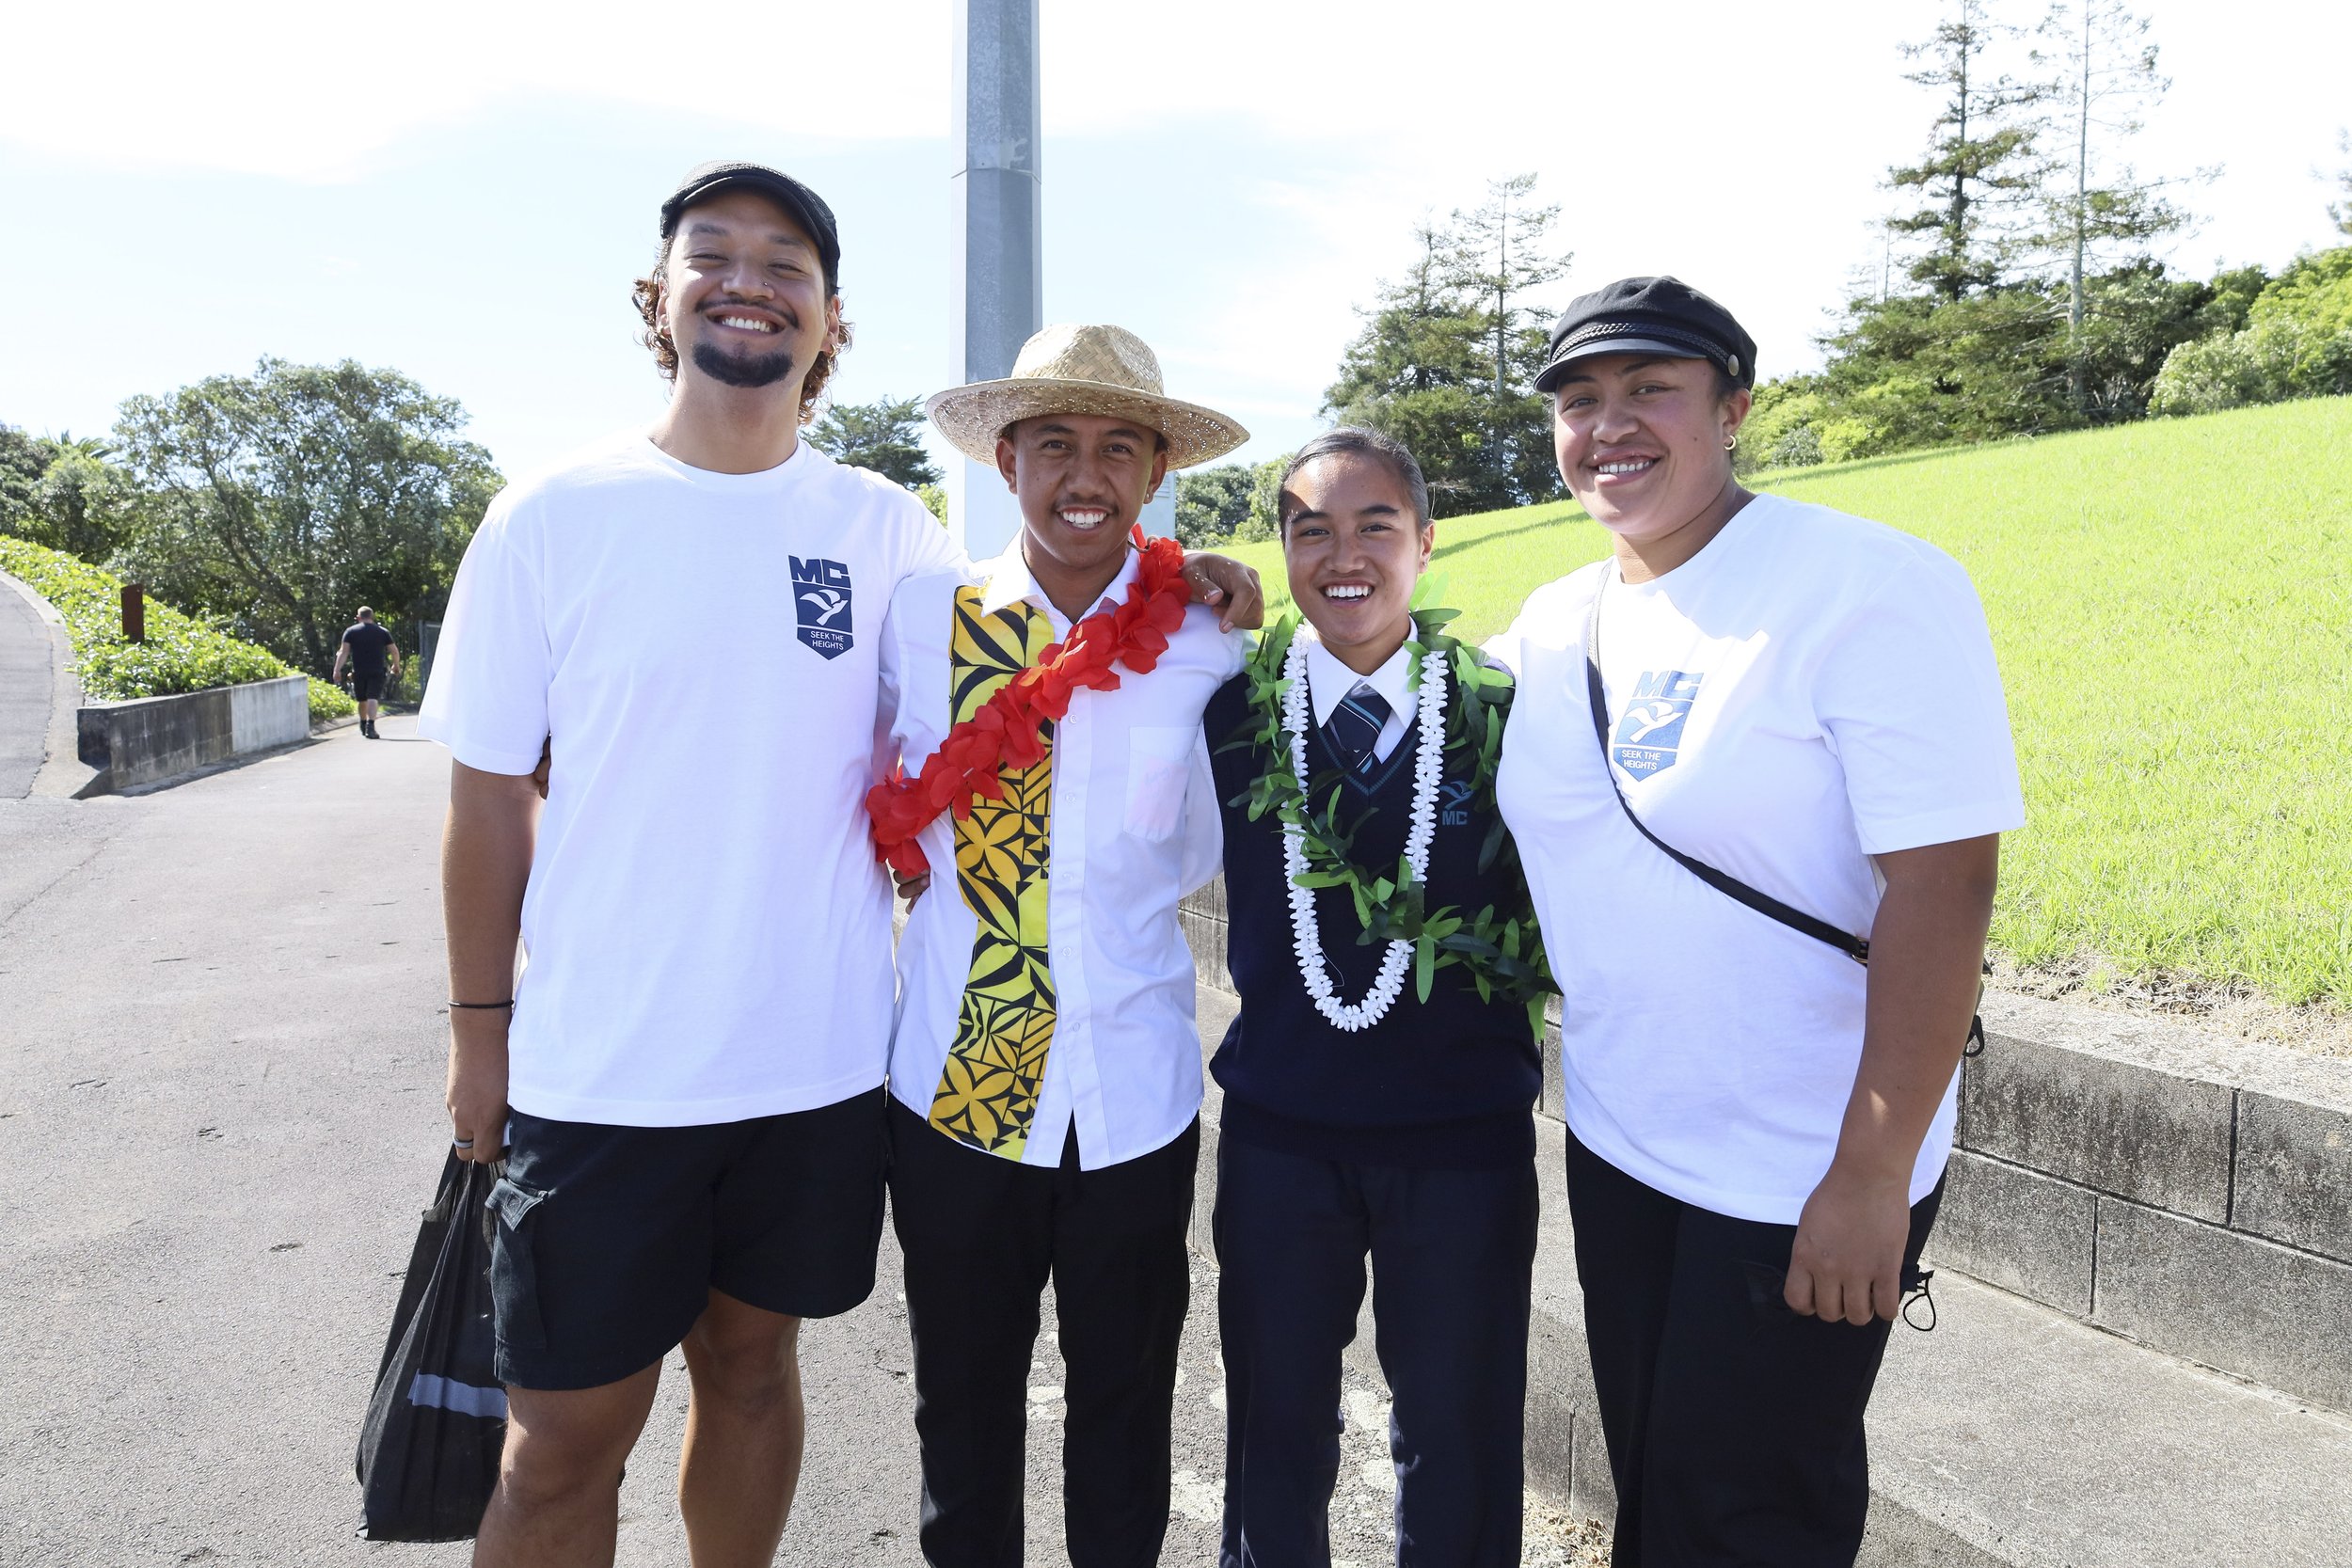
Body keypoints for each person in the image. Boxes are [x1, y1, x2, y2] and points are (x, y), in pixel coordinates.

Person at [421, 165, 1260, 1568]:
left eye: (787, 264)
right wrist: (478, 1030)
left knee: (770, 1378)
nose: (1083, 472)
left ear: (828, 319)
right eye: (715, 253)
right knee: (575, 1439)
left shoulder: (922, 550)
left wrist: (1209, 577)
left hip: (851, 1070)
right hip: (679, 1068)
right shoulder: (577, 518)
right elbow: (499, 790)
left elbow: (1106, 661)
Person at [1486, 277, 2025, 1567]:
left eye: (1648, 390)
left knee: (1752, 1515)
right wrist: (1219, 597)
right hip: (1624, 1138)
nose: (1607, 425)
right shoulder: (1559, 622)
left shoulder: (1866, 585)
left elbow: (1945, 889)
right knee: (1663, 1492)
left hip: (1801, 1162)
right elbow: (1390, 681)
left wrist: (1869, 1175)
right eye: (1578, 401)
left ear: (1732, 407)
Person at [874, 323, 1248, 1568]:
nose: (1083, 473)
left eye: (1115, 447)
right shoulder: (922, 618)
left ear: (1153, 473)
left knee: (1128, 1406)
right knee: (964, 1407)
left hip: (1134, 1094)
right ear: (1004, 457)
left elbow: (1214, 838)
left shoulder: (1208, 638)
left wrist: (1225, 578)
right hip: (956, 1087)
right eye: (1054, 444)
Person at [1201, 427, 1549, 1568]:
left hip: (1463, 1141)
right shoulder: (1230, 714)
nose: (1342, 555)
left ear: (1425, 541)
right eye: (1311, 530)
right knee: (1273, 1427)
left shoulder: (1506, 712)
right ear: (1284, 550)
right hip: (1278, 1138)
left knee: (1457, 1429)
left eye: (1374, 526)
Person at [333, 607, 401, 738]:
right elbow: (394, 651)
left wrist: (337, 670)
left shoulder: (351, 632)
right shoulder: (382, 632)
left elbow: (344, 652)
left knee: (362, 699)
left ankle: (363, 723)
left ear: (358, 618)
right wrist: (396, 665)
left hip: (359, 670)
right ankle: (371, 726)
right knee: (373, 698)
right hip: (377, 670)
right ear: (372, 617)